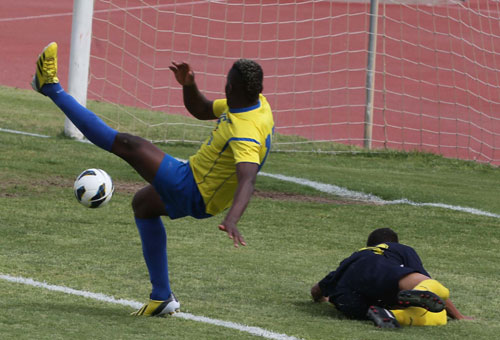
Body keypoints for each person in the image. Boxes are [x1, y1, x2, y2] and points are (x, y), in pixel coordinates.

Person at [32, 42, 274, 317]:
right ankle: (161, 297)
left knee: (128, 145)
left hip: (193, 188)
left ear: (233, 89)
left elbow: (248, 178)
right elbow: (202, 109)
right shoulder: (254, 104)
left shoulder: (246, 131)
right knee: (144, 205)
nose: (224, 88)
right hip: (199, 185)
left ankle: (49, 87)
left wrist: (233, 219)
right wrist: (188, 85)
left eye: (227, 85)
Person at [311, 228, 472, 328]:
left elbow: (316, 290)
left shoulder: (351, 259)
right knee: (437, 310)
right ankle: (397, 314)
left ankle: (387, 313)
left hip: (347, 299)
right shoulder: (394, 249)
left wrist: (321, 299)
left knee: (376, 303)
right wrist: (458, 316)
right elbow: (427, 282)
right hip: (376, 271)